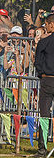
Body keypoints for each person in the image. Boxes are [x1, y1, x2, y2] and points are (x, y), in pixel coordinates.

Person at [34, 14, 54, 157]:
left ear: (51, 24)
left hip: (47, 80)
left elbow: (38, 62)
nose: (45, 27)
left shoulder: (44, 42)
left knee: (44, 115)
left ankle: (42, 149)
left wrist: (42, 74)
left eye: (46, 24)